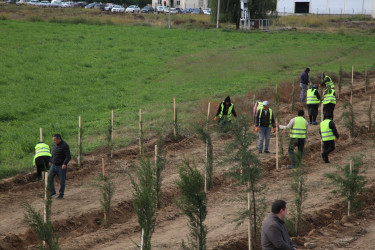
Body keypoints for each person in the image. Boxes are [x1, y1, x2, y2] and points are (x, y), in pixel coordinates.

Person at [48, 134, 71, 199]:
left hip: (61, 166)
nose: (54, 141)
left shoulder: (65, 146)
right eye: (53, 140)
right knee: (49, 177)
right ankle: (52, 192)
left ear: (59, 139)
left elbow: (68, 156)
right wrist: (50, 160)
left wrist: (65, 164)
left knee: (62, 180)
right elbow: (53, 154)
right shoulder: (54, 145)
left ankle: (61, 194)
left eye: (55, 140)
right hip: (54, 165)